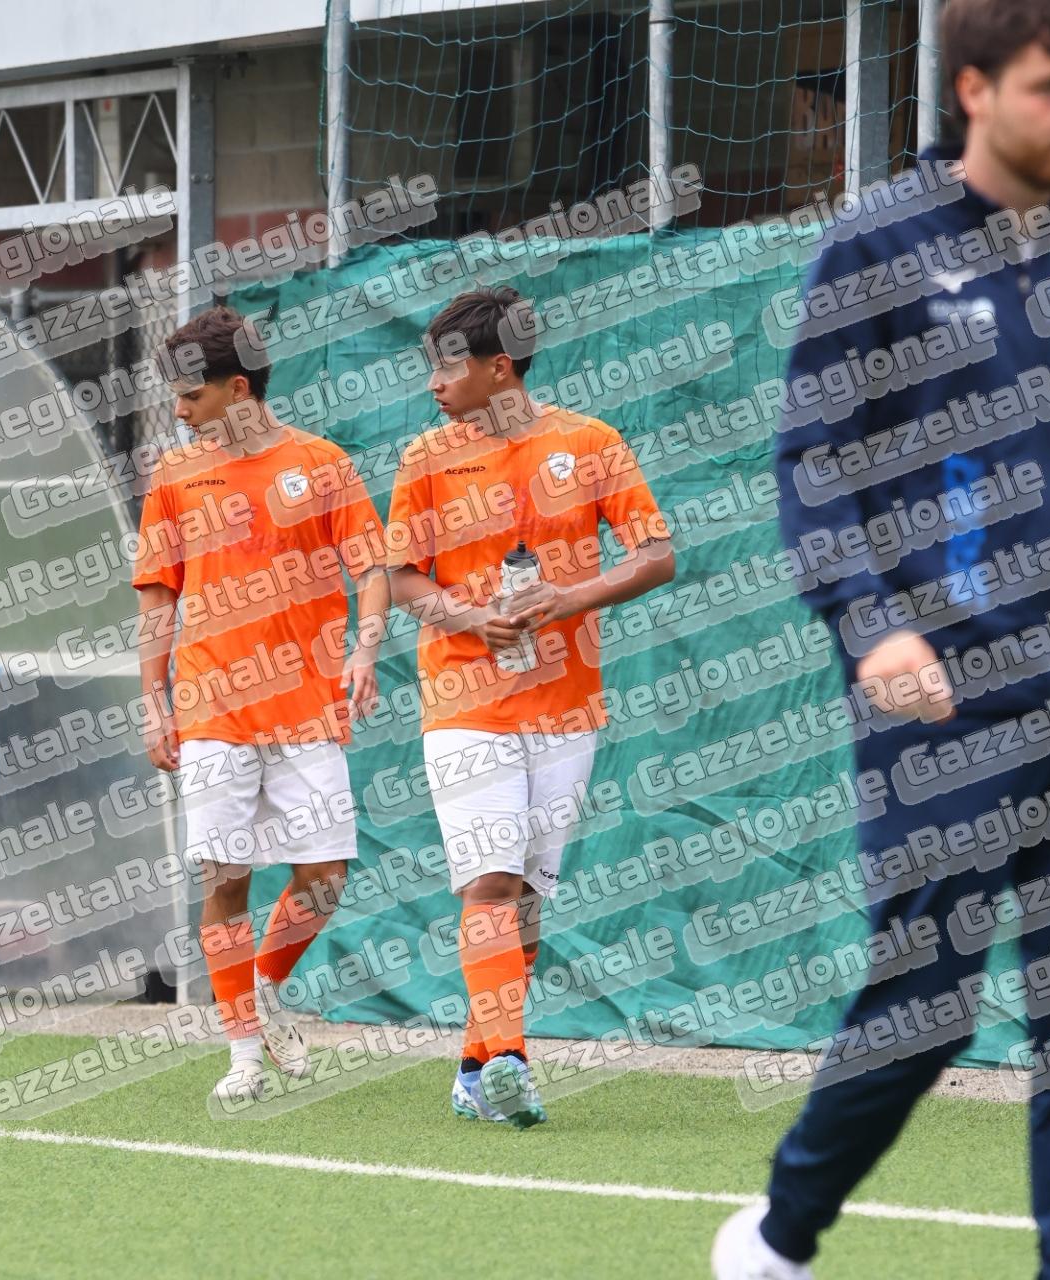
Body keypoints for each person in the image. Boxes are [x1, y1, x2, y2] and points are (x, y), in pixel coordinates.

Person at [715, 2, 1050, 1276]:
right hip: (945, 701)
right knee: (923, 1008)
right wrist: (872, 627)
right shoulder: (874, 248)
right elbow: (815, 465)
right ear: (974, 87)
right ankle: (781, 1232)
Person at [386, 286, 674, 1127]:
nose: (434, 384)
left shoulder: (590, 443)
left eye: (448, 367)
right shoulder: (425, 457)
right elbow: (402, 578)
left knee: (526, 900)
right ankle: (512, 1057)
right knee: (491, 880)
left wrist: (568, 598)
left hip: (565, 708)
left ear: (499, 368)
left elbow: (657, 555)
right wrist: (472, 617)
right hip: (463, 701)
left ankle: (476, 1067)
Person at [133, 306, 389, 1105]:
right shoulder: (175, 476)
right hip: (211, 708)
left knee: (326, 875)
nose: (179, 411)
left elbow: (371, 568)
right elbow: (157, 598)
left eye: (191, 396)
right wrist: (154, 703)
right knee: (225, 876)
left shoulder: (322, 463)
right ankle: (242, 1054)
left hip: (306, 707)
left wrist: (365, 651)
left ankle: (266, 988)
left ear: (238, 389)